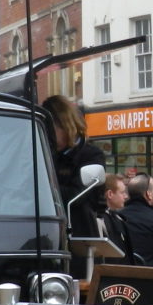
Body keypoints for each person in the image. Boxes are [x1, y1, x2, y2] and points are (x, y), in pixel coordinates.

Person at [42, 95, 105, 237]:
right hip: (45, 228)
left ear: (66, 125)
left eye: (51, 130)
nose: (47, 136)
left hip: (77, 232)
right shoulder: (44, 153)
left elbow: (77, 195)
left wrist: (42, 190)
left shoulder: (91, 155)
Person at [99, 173, 135, 265]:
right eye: (122, 192)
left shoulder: (116, 218)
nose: (126, 196)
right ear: (110, 194)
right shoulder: (102, 220)